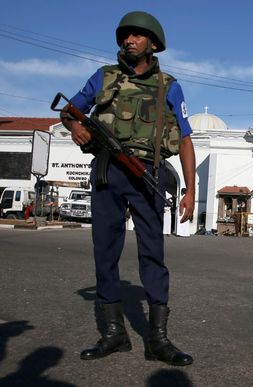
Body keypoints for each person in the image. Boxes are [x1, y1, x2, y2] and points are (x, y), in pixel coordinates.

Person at [59, 11, 195, 366]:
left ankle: (158, 339)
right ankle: (113, 334)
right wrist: (75, 128)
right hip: (107, 171)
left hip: (147, 173)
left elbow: (184, 140)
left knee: (153, 253)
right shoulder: (104, 78)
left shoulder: (169, 85)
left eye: (136, 36)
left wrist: (191, 191)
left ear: (153, 43)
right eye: (125, 36)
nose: (128, 41)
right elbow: (70, 111)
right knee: (105, 251)